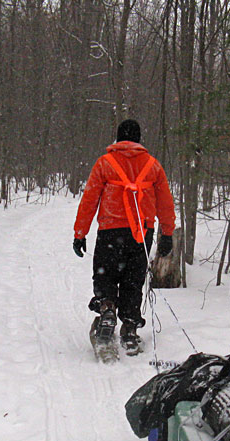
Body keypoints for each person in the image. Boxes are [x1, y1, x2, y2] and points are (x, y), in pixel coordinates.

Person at [73, 119, 175, 353]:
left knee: (105, 275)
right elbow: (165, 203)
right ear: (139, 139)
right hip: (141, 233)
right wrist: (167, 233)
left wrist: (80, 233)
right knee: (133, 280)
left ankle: (107, 308)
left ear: (118, 139)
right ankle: (129, 329)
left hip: (110, 231)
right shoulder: (152, 165)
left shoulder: (105, 163)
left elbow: (89, 199)